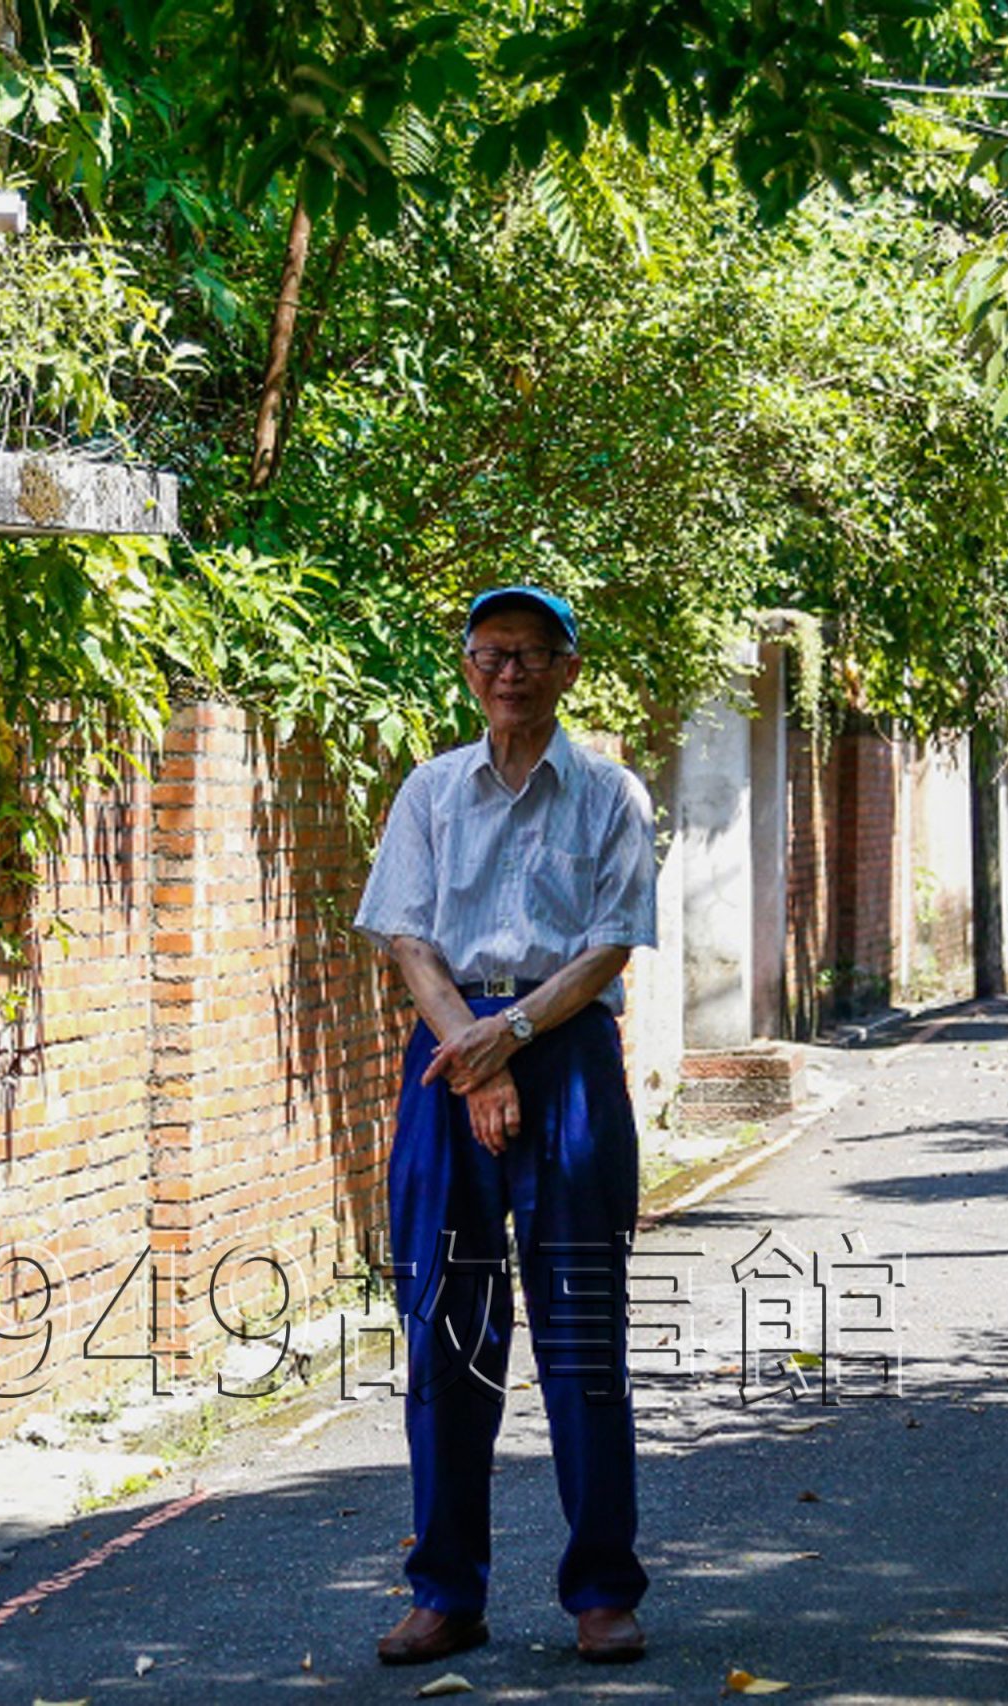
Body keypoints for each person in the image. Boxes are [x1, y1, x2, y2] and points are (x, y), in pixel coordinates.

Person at [352, 584, 658, 1668]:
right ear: (468, 666)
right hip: (449, 1053)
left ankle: (600, 1590)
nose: (509, 670)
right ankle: (445, 1589)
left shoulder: (610, 793)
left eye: (531, 652)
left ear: (568, 667)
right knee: (446, 1331)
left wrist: (511, 1035)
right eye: (491, 652)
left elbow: (612, 941)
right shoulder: (430, 790)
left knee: (581, 1335)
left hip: (565, 1049)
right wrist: (473, 1057)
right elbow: (406, 937)